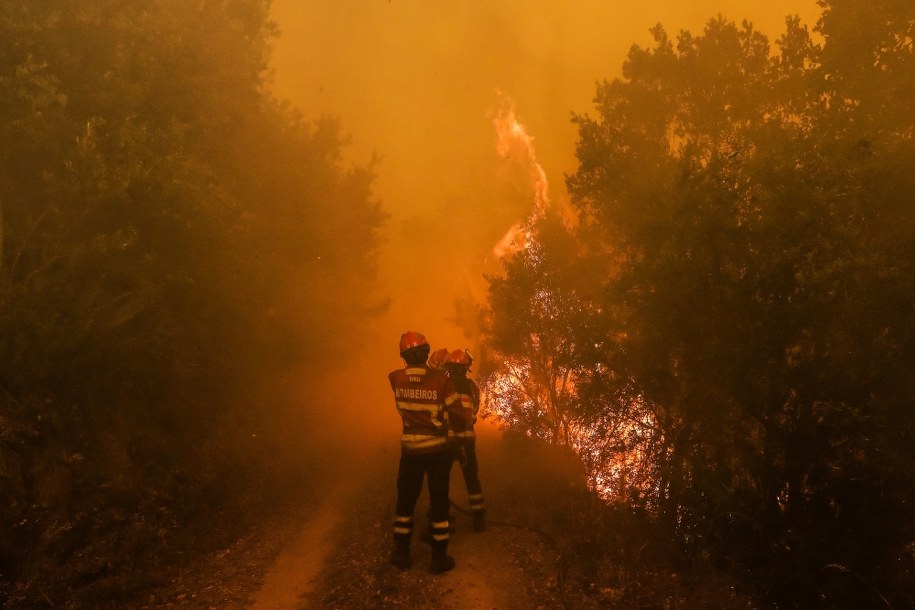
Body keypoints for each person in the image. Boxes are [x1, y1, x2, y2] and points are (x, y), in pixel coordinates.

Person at [388, 331, 464, 574]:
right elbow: (458, 414)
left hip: (410, 450)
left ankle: (401, 553)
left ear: (403, 356)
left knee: (405, 501)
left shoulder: (395, 378)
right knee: (439, 501)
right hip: (437, 451)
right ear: (426, 352)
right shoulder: (441, 380)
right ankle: (438, 558)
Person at [444, 348, 487, 532]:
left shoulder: (444, 385)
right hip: (467, 441)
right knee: (472, 479)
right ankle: (479, 518)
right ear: (466, 368)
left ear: (450, 367)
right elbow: (474, 411)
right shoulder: (473, 388)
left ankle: (442, 517)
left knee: (441, 480)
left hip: (447, 441)